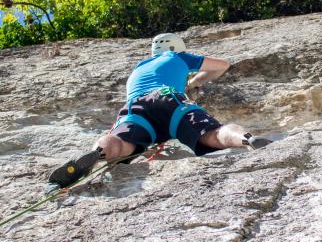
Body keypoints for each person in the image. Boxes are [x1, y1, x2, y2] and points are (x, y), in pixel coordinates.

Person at [47, 33, 271, 189]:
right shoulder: (175, 56)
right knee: (212, 133)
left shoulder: (138, 69)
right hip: (170, 100)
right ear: (175, 48)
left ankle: (98, 153)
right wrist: (191, 82)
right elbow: (222, 65)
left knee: (121, 143)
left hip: (136, 110)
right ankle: (246, 138)